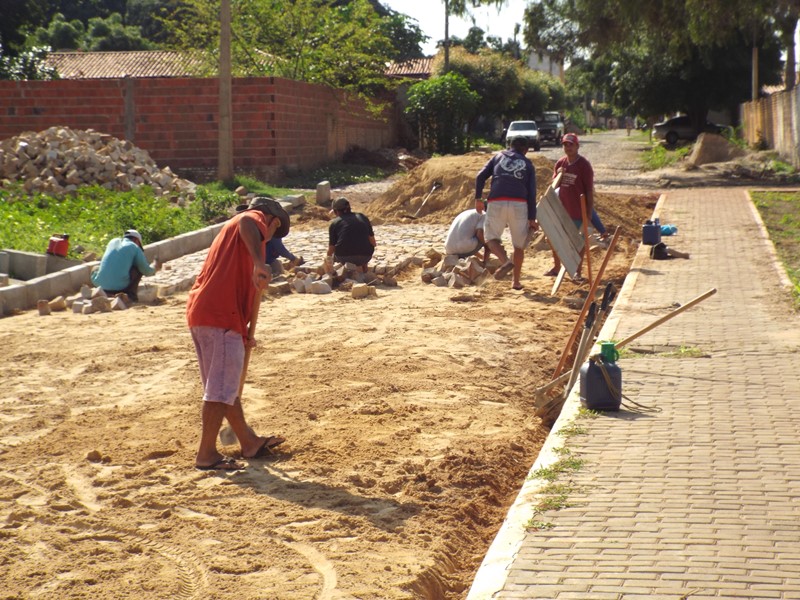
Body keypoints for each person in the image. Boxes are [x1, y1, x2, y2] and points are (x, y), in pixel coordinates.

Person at [186, 196, 290, 471]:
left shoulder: (232, 237)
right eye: (272, 232)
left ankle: (248, 441)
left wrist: (242, 333)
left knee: (226, 385)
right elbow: (248, 220)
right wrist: (259, 261)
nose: (268, 238)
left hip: (210, 312)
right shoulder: (250, 221)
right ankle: (206, 454)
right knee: (220, 389)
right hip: (218, 314)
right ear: (272, 220)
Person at [474, 136, 538, 290]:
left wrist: (478, 199)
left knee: (490, 238)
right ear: (526, 150)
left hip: (497, 201)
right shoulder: (528, 164)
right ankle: (515, 282)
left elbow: (480, 176)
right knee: (518, 246)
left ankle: (505, 261)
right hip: (520, 204)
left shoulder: (498, 157)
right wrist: (532, 218)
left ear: (509, 146)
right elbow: (531, 193)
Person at [546, 133, 594, 277]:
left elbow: (589, 190)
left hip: (578, 211)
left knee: (578, 242)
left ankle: (576, 271)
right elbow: (554, 186)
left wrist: (589, 213)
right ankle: (557, 267)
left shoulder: (584, 165)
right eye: (565, 145)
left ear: (577, 146)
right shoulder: (561, 163)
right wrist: (559, 174)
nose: (568, 147)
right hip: (562, 210)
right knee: (552, 238)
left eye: (571, 144)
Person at [91, 229, 161, 302]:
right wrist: (155, 267)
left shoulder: (112, 242)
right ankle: (131, 297)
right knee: (138, 268)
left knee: (95, 268)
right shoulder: (134, 247)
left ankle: (104, 292)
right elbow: (146, 271)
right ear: (136, 240)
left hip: (99, 285)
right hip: (120, 287)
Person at [327, 197, 376, 272]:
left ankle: (345, 273)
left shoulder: (335, 223)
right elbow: (373, 242)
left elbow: (331, 249)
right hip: (366, 256)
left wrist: (327, 261)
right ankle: (364, 269)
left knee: (334, 254)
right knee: (363, 244)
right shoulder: (362, 217)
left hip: (344, 257)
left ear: (336, 211)